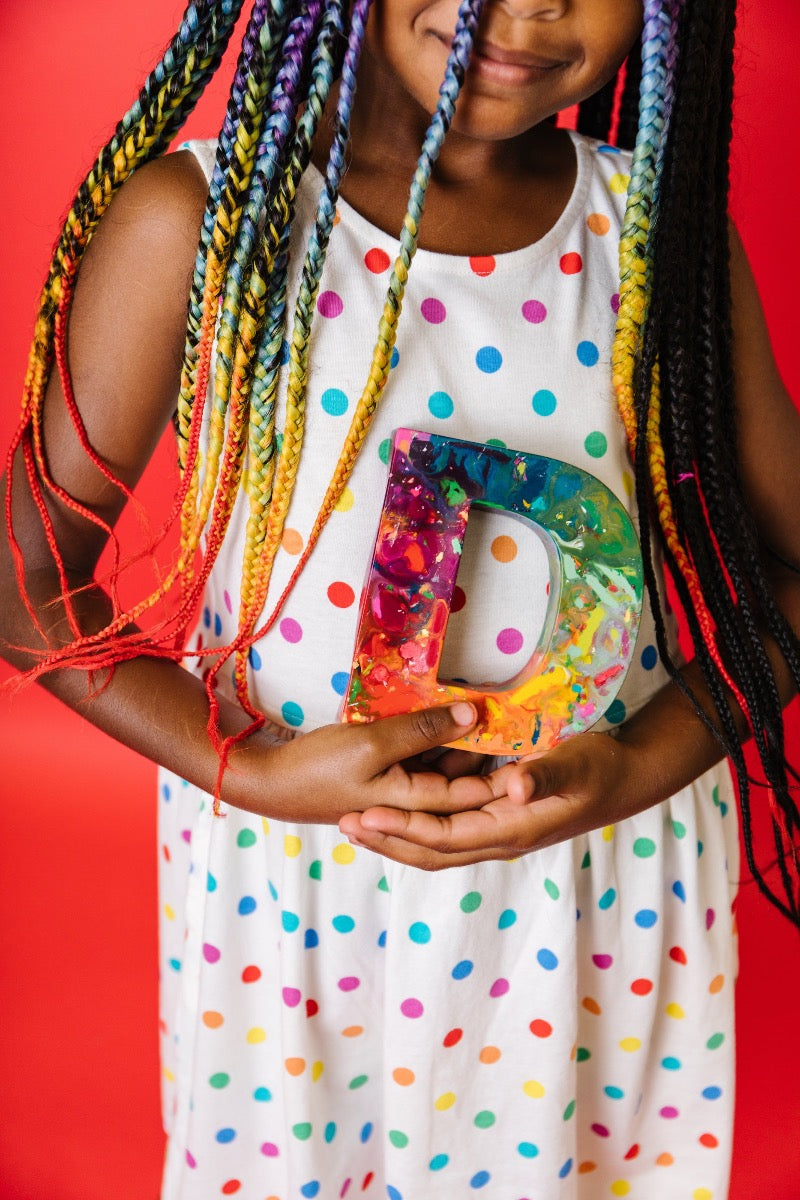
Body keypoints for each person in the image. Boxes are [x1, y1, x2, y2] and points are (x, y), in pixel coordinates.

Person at [2, 0, 799, 1197]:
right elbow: (23, 587)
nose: (528, 6)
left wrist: (636, 769)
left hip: (594, 890)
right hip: (304, 894)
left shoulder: (653, 236)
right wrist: (251, 771)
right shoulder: (205, 225)